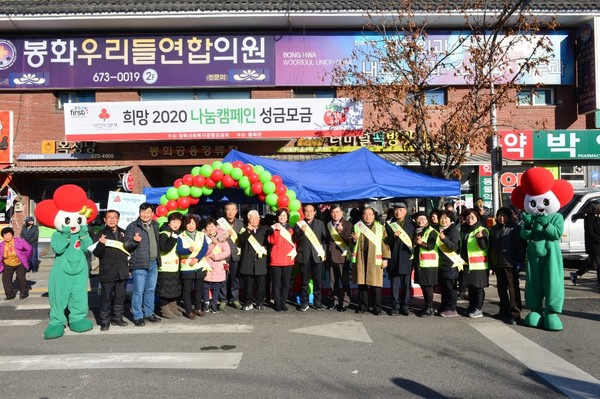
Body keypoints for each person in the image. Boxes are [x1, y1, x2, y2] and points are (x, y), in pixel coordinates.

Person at [124, 203, 163, 327]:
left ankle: (149, 313)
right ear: (139, 212)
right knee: (138, 291)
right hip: (139, 263)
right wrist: (134, 241)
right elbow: (126, 246)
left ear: (152, 214)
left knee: (150, 290)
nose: (145, 214)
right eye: (143, 212)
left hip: (153, 262)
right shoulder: (132, 226)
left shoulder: (156, 225)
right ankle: (137, 316)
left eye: (148, 212)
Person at [92, 210, 129, 331]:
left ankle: (117, 318)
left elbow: (129, 250)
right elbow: (97, 253)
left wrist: (136, 242)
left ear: (118, 219)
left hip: (122, 270)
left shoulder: (124, 233)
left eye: (114, 217)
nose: (112, 220)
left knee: (120, 296)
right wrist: (101, 244)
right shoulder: (100, 233)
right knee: (106, 297)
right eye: (109, 217)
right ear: (104, 219)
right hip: (107, 271)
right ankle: (104, 321)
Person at [351, 207, 391, 315]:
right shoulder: (357, 226)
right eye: (365, 214)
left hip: (375, 259)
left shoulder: (380, 227)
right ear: (362, 215)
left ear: (374, 216)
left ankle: (377, 307)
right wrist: (353, 240)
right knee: (362, 284)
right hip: (361, 258)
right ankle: (363, 306)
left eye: (370, 214)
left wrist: (385, 258)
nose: (367, 216)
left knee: (376, 284)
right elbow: (351, 244)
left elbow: (385, 244)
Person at [489, 207, 525, 324]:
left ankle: (515, 313)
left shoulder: (514, 228)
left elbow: (520, 246)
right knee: (501, 288)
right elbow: (491, 247)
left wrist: (519, 260)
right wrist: (491, 262)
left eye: (504, 215)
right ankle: (503, 310)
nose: (501, 218)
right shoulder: (494, 229)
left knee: (513, 289)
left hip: (511, 263)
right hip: (498, 263)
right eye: (499, 215)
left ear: (509, 216)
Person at [176, 213, 210, 319]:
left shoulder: (201, 234)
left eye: (193, 223)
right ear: (185, 225)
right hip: (187, 267)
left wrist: (197, 258)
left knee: (199, 289)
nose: (191, 225)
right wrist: (187, 250)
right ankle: (189, 310)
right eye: (188, 223)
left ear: (196, 224)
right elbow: (179, 250)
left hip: (199, 266)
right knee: (187, 290)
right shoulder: (181, 236)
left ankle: (198, 308)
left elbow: (205, 248)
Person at [294, 203, 327, 311]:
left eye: (311, 211)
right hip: (304, 256)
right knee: (304, 281)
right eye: (306, 211)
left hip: (317, 255)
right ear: (303, 212)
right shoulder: (299, 224)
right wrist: (300, 232)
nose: (309, 213)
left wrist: (324, 252)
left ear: (315, 212)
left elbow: (324, 240)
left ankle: (317, 302)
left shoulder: (320, 224)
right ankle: (305, 302)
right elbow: (295, 238)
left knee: (317, 281)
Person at [385, 202, 415, 316]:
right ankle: (395, 306)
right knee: (394, 285)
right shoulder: (389, 224)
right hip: (394, 258)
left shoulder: (411, 224)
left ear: (405, 211)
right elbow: (386, 242)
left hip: (406, 258)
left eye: (400, 210)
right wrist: (393, 237)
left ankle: (405, 306)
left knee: (406, 285)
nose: (398, 212)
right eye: (396, 210)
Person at [460, 208, 489, 318]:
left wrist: (480, 238)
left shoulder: (482, 230)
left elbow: (484, 247)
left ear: (477, 218)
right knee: (471, 287)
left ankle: (479, 309)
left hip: (479, 265)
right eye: (467, 217)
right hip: (467, 264)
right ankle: (472, 307)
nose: (469, 219)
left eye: (472, 217)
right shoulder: (465, 231)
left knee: (478, 288)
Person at [238, 210, 269, 310]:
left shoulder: (265, 230)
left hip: (261, 261)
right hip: (248, 261)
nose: (254, 220)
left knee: (261, 285)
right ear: (248, 219)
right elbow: (242, 241)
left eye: (256, 218)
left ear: (259, 219)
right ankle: (248, 302)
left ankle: (260, 302)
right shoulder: (243, 230)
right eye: (252, 218)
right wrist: (248, 231)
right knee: (248, 285)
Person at [267, 208, 296, 312]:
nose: (282, 217)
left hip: (288, 259)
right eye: (280, 215)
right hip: (276, 259)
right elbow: (272, 241)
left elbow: (295, 243)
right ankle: (277, 303)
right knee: (276, 283)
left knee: (286, 283)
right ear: (277, 217)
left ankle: (283, 302)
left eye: (284, 215)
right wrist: (275, 230)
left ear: (287, 217)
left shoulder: (292, 229)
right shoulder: (273, 228)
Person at [326, 204, 353, 312]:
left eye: (337, 212)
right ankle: (335, 300)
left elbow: (349, 239)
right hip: (330, 256)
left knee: (344, 280)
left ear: (342, 213)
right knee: (333, 281)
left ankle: (345, 302)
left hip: (342, 256)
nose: (335, 214)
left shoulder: (348, 224)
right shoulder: (328, 224)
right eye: (333, 212)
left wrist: (341, 231)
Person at [217, 202, 244, 310]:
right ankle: (223, 299)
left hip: (236, 255)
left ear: (236, 211)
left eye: (233, 210)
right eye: (228, 209)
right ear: (225, 211)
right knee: (223, 279)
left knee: (235, 279)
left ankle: (234, 299)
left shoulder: (240, 223)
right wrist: (225, 235)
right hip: (223, 255)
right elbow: (217, 238)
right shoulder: (220, 223)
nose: (230, 212)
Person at [157, 212, 184, 319]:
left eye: (178, 221)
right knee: (164, 289)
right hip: (164, 266)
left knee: (174, 288)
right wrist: (173, 238)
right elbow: (165, 248)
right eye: (173, 221)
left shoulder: (178, 232)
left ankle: (173, 307)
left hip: (175, 265)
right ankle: (165, 310)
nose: (176, 224)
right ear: (169, 222)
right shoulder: (164, 233)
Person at [412, 212, 439, 317]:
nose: (420, 221)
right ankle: (426, 306)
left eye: (423, 219)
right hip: (420, 263)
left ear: (428, 220)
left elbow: (431, 246)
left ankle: (430, 308)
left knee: (428, 287)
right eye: (419, 219)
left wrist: (421, 243)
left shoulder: (432, 231)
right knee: (423, 286)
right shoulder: (418, 231)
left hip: (429, 264)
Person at [436, 211, 462, 317]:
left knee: (450, 288)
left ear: (451, 220)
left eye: (446, 218)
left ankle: (452, 308)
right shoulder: (441, 231)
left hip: (451, 264)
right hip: (442, 264)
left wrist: (444, 239)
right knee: (444, 287)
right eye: (442, 218)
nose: (444, 220)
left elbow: (454, 247)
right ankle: (444, 306)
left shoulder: (453, 232)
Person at [203, 218, 231, 313]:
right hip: (206, 265)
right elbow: (202, 251)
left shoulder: (222, 238)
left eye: (212, 226)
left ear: (216, 227)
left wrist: (216, 257)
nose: (210, 228)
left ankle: (214, 303)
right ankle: (206, 302)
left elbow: (227, 252)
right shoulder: (203, 238)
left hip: (218, 265)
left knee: (216, 286)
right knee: (205, 285)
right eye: (208, 226)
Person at [0, 227, 32, 300]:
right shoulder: (1, 245)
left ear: (12, 235)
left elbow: (29, 249)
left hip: (19, 263)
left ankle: (23, 293)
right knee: (6, 280)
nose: (7, 237)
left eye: (9, 234)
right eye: (5, 235)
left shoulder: (20, 241)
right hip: (7, 263)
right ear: (3, 236)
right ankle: (9, 295)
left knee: (21, 278)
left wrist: (25, 257)